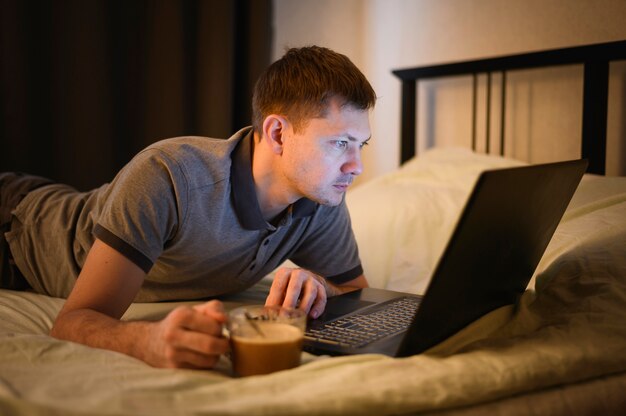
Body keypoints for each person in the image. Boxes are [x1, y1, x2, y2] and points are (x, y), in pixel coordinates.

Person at [0, 46, 376, 369]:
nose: (356, 166)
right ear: (278, 133)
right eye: (340, 143)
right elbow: (71, 323)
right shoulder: (170, 176)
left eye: (362, 145)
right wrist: (147, 341)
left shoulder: (322, 197)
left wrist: (320, 286)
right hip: (16, 228)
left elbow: (356, 292)